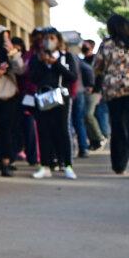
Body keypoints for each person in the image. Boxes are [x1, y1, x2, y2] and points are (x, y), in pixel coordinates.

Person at [91, 14, 129, 178]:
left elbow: (96, 66)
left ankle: (119, 165)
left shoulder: (106, 44)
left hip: (114, 91)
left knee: (118, 127)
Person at [27, 27, 80, 179]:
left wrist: (55, 63)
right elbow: (33, 78)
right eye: (45, 38)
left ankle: (67, 164)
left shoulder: (66, 56)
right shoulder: (36, 58)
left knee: (62, 130)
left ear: (57, 40)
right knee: (44, 131)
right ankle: (45, 165)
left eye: (52, 38)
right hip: (43, 98)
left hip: (61, 97)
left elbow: (72, 77)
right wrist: (43, 63)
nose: (48, 41)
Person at [0, 24, 25, 177]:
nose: (6, 41)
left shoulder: (11, 53)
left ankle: (6, 162)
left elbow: (21, 69)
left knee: (7, 130)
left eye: (8, 37)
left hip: (10, 96)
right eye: (3, 38)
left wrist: (13, 52)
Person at [79, 39, 106, 149]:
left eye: (86, 45)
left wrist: (98, 90)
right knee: (86, 117)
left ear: (92, 46)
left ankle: (100, 137)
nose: (83, 46)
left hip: (95, 92)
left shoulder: (96, 59)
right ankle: (93, 141)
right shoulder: (82, 60)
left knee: (88, 114)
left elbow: (100, 76)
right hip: (84, 92)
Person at [72, 51, 95, 158]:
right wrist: (89, 84)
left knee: (71, 122)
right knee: (79, 120)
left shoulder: (68, 56)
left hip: (72, 92)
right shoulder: (76, 57)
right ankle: (83, 148)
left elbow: (88, 69)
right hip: (79, 91)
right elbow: (88, 69)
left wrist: (90, 84)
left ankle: (75, 148)